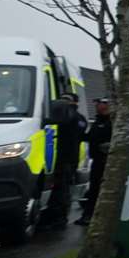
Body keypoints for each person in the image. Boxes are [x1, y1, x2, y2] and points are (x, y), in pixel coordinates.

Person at [41, 93, 86, 231]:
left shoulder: (74, 116)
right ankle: (52, 217)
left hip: (67, 158)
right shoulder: (72, 116)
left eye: (66, 100)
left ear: (74, 103)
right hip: (60, 157)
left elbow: (68, 124)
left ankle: (59, 219)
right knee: (58, 189)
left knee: (62, 189)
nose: (62, 102)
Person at [75, 98, 114, 226]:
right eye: (98, 104)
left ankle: (95, 217)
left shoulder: (112, 122)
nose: (98, 106)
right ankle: (88, 216)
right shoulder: (97, 122)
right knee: (94, 190)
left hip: (107, 162)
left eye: (101, 104)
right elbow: (90, 137)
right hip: (96, 161)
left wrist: (109, 146)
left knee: (101, 190)